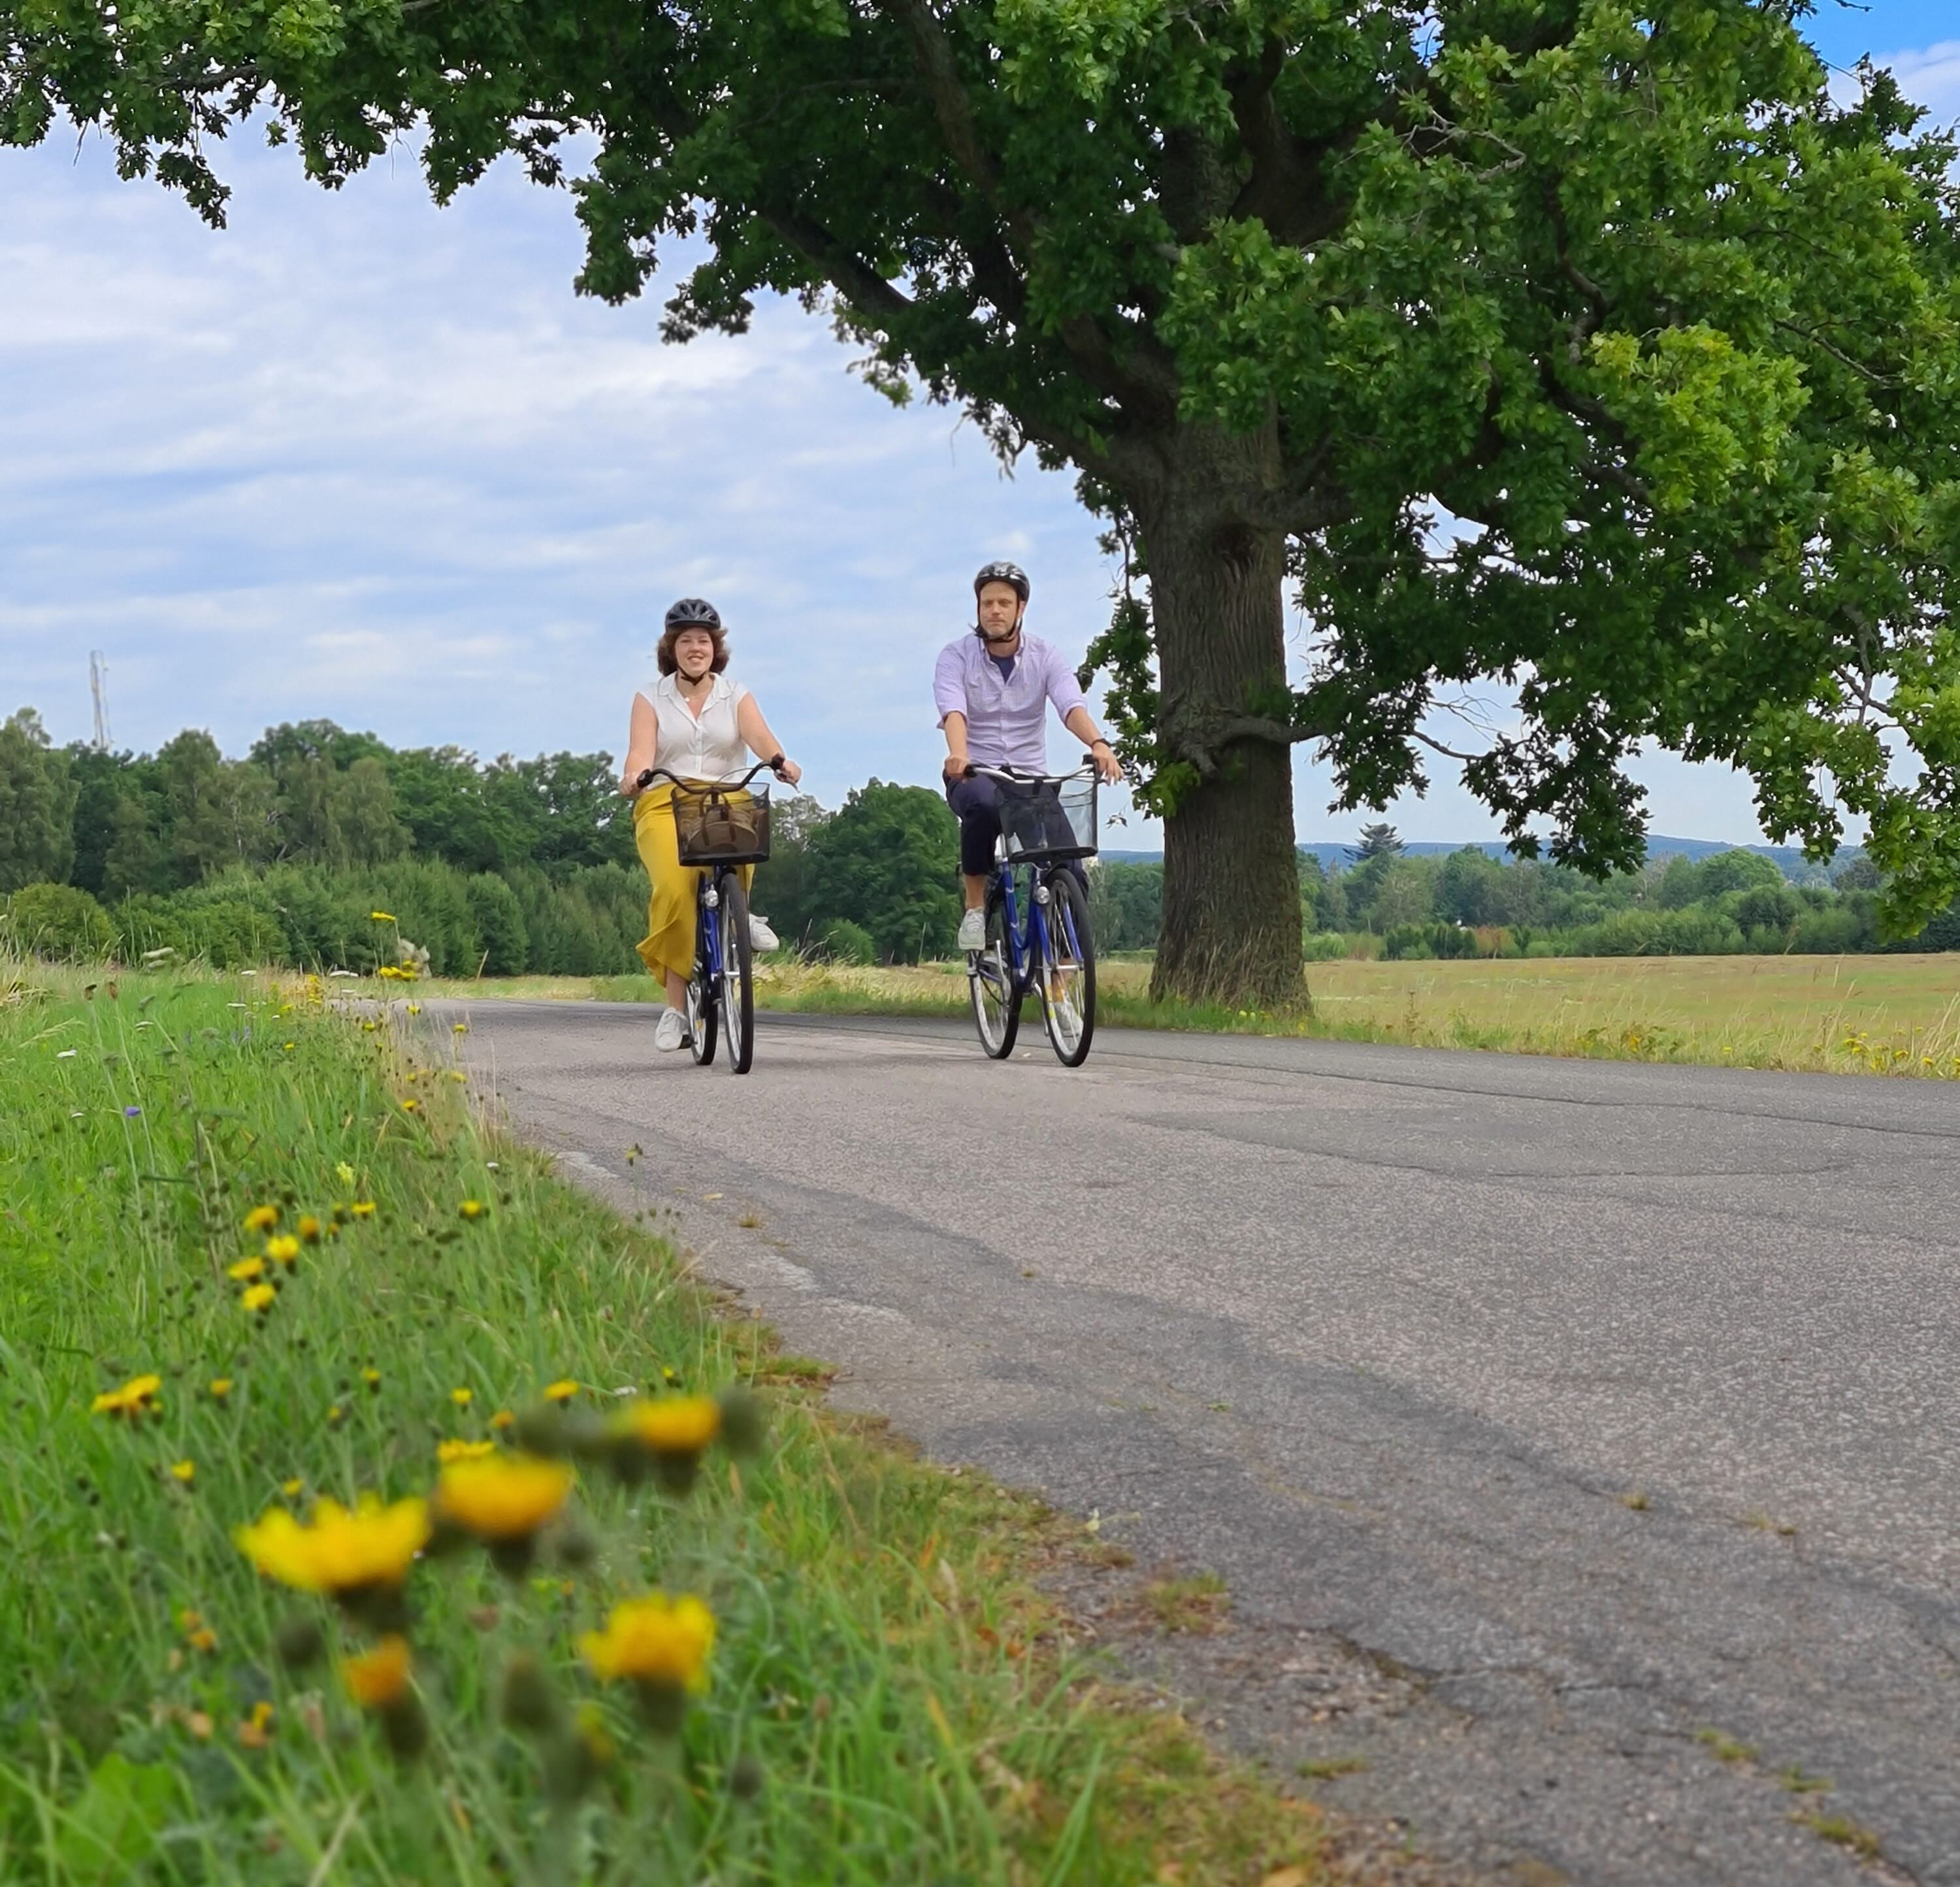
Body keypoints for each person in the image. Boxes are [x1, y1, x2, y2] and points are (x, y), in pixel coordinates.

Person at [621, 599, 801, 1051]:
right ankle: (676, 1011)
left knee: (745, 837)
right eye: (685, 641)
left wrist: (779, 760)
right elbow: (641, 750)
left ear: (715, 648)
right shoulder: (650, 697)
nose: (695, 648)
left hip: (726, 795)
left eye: (703, 641)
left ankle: (742, 911)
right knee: (675, 888)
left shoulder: (734, 693)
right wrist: (633, 775)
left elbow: (759, 736)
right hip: (667, 799)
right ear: (672, 649)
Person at [935, 561, 1124, 952]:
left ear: (1021, 609)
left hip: (1029, 780)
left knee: (1069, 865)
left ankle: (1063, 970)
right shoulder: (955, 657)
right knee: (983, 808)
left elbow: (1071, 707)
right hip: (975, 771)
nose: (995, 611)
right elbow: (955, 712)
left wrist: (1099, 744)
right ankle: (974, 911)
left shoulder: (1046, 656)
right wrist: (958, 754)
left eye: (1004, 603)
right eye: (987, 603)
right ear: (978, 609)